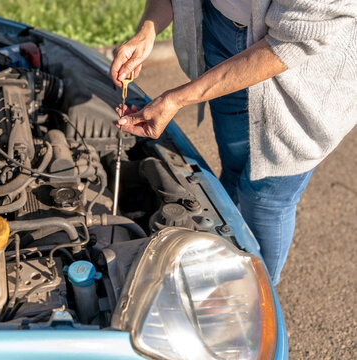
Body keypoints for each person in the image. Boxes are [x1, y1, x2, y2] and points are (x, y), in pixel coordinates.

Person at [110, 0, 356, 285]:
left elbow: (294, 38)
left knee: (265, 197)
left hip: (304, 68)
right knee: (234, 169)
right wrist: (148, 31)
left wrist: (175, 99)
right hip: (222, 35)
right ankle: (222, 273)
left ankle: (258, 293)